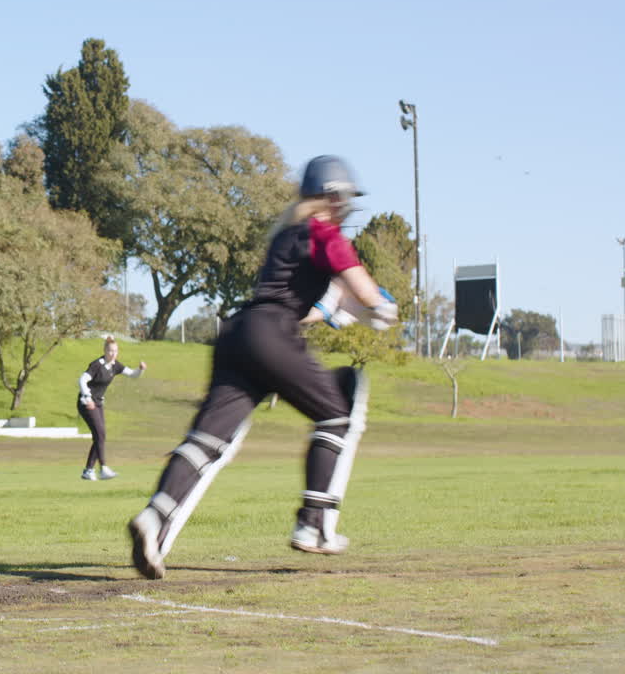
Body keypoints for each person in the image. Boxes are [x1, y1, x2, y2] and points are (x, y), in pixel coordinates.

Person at [127, 155, 399, 579]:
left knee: (207, 441)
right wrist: (380, 307)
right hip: (272, 334)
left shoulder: (285, 235)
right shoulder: (322, 231)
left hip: (238, 334)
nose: (347, 207)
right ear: (331, 195)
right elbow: (359, 283)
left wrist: (335, 309)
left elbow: (302, 304)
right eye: (344, 198)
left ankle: (154, 517)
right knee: (337, 413)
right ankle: (314, 525)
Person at [77, 335, 147, 481]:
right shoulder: (97, 364)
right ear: (105, 350)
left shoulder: (115, 365)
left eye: (115, 351)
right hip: (86, 403)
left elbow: (132, 374)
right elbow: (82, 380)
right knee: (100, 434)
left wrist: (140, 370)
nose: (113, 354)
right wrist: (88, 398)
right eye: (110, 351)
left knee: (100, 436)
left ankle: (88, 471)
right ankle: (103, 469)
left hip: (98, 403)